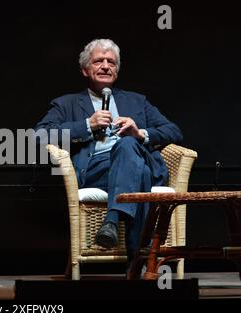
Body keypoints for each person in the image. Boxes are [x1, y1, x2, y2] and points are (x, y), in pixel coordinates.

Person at [35, 39, 182, 266]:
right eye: (98, 61)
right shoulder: (67, 104)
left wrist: (139, 133)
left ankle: (111, 221)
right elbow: (40, 135)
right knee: (139, 173)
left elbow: (174, 131)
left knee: (128, 147)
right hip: (96, 168)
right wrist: (87, 125)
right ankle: (138, 265)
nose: (105, 66)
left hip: (136, 159)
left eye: (111, 62)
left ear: (117, 70)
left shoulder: (136, 101)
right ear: (85, 69)